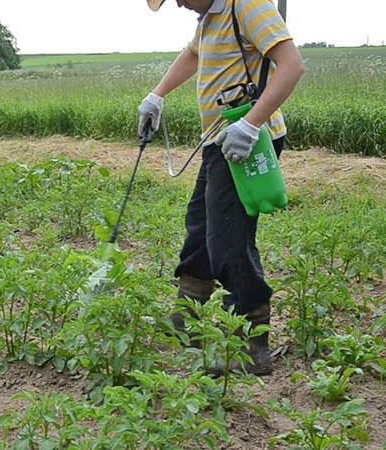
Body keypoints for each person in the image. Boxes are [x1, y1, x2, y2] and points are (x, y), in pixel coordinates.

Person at [138, 0, 304, 375]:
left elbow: (292, 65)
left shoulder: (247, 4)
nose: (177, 2)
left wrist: (251, 123)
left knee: (229, 239)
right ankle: (189, 314)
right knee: (199, 225)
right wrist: (157, 94)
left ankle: (252, 341)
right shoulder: (209, 16)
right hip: (219, 141)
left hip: (246, 140)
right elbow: (193, 52)